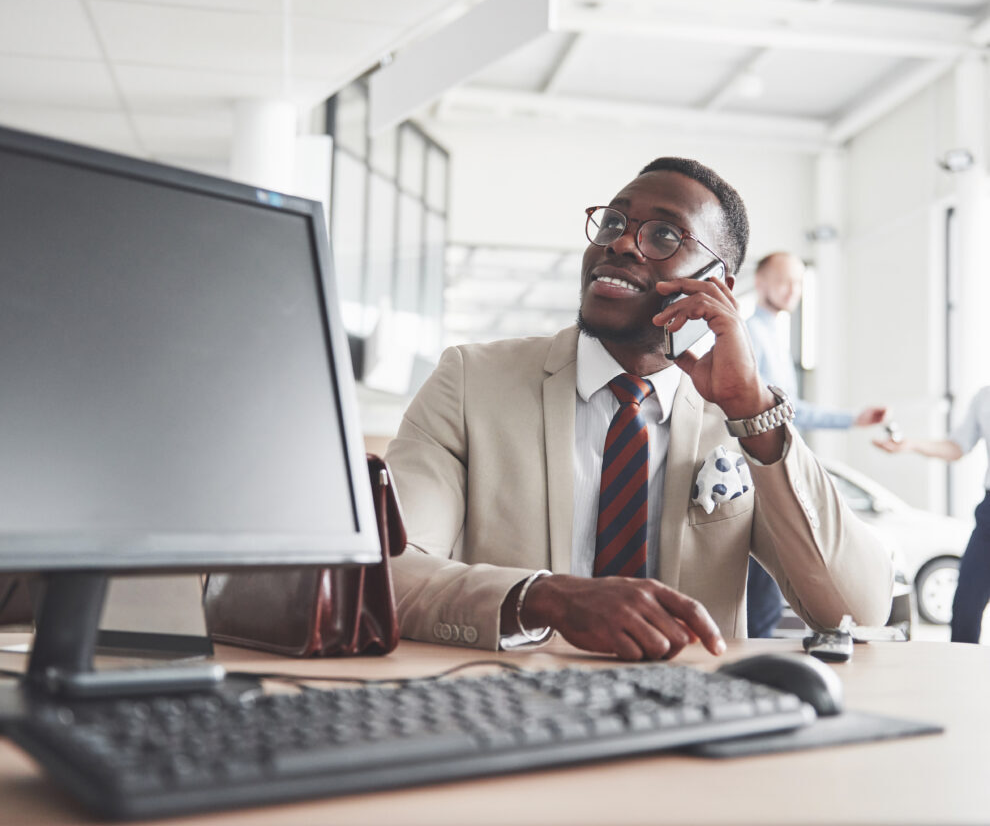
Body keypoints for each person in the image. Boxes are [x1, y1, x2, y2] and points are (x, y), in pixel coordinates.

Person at [386, 157, 894, 662]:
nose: (622, 243)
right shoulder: (472, 382)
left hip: (689, 718)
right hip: (508, 710)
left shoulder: (738, 418)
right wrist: (545, 599)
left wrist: (754, 412)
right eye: (613, 222)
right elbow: (389, 570)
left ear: (718, 284)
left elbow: (859, 611)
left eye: (665, 236)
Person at [744, 251, 887, 638]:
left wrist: (851, 418)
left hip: (776, 468)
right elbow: (777, 412)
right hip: (759, 472)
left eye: (799, 283)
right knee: (762, 600)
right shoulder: (750, 334)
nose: (793, 291)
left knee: (768, 597)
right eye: (784, 281)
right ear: (761, 282)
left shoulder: (775, 334)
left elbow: (789, 409)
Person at [873, 386, 990, 643]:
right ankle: (964, 674)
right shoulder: (984, 397)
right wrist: (910, 445)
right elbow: (957, 446)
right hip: (988, 515)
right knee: (965, 607)